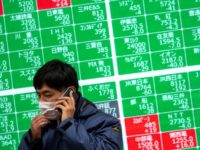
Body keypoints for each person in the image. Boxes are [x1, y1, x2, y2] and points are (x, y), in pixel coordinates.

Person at [19, 59, 123, 150]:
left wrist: (68, 124)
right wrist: (34, 141)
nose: (41, 101)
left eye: (47, 94)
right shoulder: (41, 128)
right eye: (39, 95)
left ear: (70, 93)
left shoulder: (106, 123)